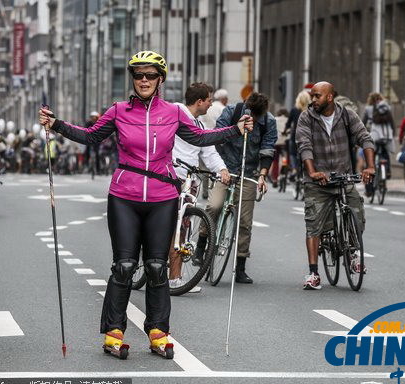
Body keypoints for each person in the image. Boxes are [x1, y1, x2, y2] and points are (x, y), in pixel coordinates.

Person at [38, 50, 252, 360]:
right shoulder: (119, 111)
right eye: (138, 75)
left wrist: (236, 129)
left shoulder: (174, 113)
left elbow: (201, 138)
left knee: (155, 266)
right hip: (124, 196)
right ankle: (113, 332)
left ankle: (158, 332)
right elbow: (90, 136)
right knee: (124, 265)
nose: (144, 80)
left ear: (160, 79)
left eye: (150, 75)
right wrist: (55, 124)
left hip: (163, 197)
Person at [295, 81, 375, 290]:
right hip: (318, 180)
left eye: (317, 96)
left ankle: (352, 253)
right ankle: (313, 273)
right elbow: (305, 145)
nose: (313, 100)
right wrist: (312, 172)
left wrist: (370, 167)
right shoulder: (307, 117)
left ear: (330, 97)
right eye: (312, 96)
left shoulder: (347, 115)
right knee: (313, 225)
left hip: (343, 177)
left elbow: (365, 138)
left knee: (356, 212)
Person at [196, 92, 277, 284]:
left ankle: (240, 266)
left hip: (248, 173)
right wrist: (236, 128)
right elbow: (218, 135)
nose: (254, 119)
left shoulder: (269, 122)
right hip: (225, 169)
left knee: (245, 222)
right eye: (252, 114)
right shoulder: (232, 112)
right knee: (214, 206)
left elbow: (268, 148)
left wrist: (263, 175)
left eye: (258, 116)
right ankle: (201, 245)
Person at [170, 82, 230, 293]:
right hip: (170, 177)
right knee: (166, 227)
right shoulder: (175, 113)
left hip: (190, 180)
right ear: (199, 101)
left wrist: (222, 169)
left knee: (183, 227)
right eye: (209, 100)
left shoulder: (201, 126)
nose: (211, 103)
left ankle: (175, 278)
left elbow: (209, 152)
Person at [286, 90, 311, 179]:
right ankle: (306, 169)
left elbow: (288, 123)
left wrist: (285, 130)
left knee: (292, 153)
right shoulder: (310, 111)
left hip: (295, 135)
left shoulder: (294, 110)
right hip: (307, 136)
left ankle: (294, 169)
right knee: (306, 151)